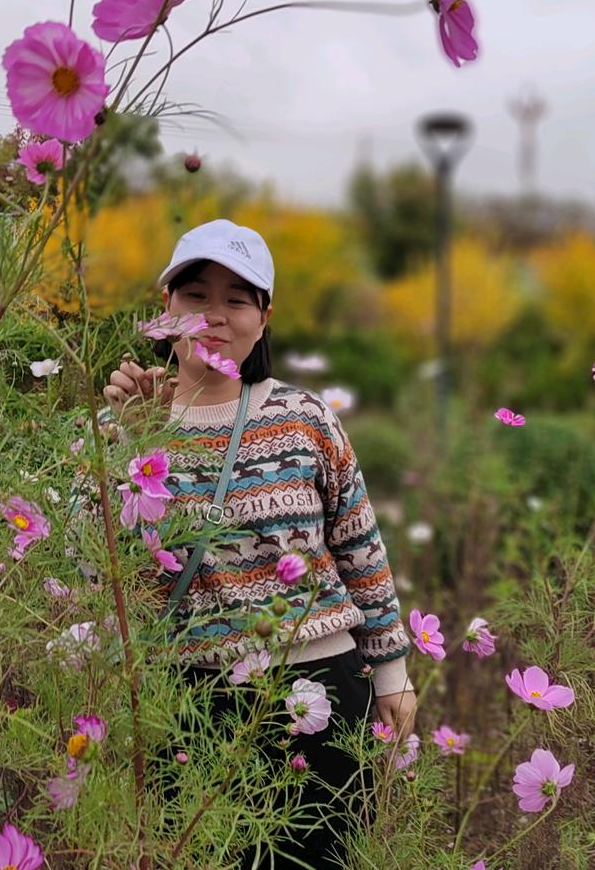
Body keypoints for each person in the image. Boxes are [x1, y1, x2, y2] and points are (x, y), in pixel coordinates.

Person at [103, 219, 416, 869]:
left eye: (236, 299)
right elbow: (99, 570)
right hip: (191, 704)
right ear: (165, 310)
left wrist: (393, 675)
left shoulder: (303, 417)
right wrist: (132, 446)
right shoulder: (126, 426)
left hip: (320, 687)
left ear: (264, 317)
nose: (214, 316)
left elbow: (361, 549)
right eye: (194, 295)